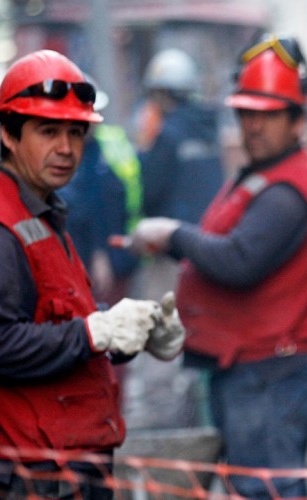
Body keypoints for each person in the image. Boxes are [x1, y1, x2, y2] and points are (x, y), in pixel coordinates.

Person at [0, 49, 185, 499]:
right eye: (48, 131)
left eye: (76, 133)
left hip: (69, 463)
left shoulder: (41, 212)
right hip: (31, 474)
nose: (66, 148)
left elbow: (63, 324)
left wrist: (129, 331)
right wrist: (96, 332)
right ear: (9, 134)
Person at [126, 35, 307, 499]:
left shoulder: (287, 189)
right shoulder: (261, 176)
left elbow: (239, 261)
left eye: (268, 114)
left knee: (265, 491)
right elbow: (222, 243)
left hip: (267, 376)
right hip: (247, 370)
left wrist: (173, 234)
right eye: (246, 114)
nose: (253, 126)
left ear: (296, 118)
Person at [124, 47, 225, 430]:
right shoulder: (209, 129)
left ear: (163, 93)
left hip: (169, 253)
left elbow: (149, 191)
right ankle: (198, 415)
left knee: (160, 333)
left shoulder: (167, 135)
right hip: (206, 249)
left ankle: (165, 421)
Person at [58, 77, 142, 307]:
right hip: (83, 259)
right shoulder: (69, 156)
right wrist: (98, 253)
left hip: (115, 253)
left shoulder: (99, 148)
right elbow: (80, 208)